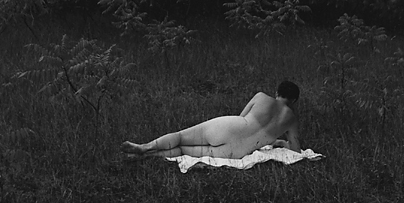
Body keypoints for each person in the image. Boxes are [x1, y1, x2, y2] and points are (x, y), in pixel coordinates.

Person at [121, 80, 301, 159]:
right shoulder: (291, 119)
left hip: (231, 128)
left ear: (276, 93)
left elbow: (241, 117)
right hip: (238, 151)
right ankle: (149, 156)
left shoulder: (261, 97)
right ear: (293, 101)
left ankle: (145, 147)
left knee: (181, 137)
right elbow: (296, 150)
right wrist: (280, 142)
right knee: (183, 151)